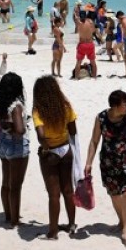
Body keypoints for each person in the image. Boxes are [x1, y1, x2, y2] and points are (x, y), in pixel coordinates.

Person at [84, 90, 126, 249]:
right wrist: (89, 162)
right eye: (125, 104)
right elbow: (94, 141)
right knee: (115, 195)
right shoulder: (101, 118)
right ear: (115, 106)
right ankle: (122, 222)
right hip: (109, 163)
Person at [32, 76, 78, 239]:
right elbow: (72, 130)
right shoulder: (65, 106)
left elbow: (41, 136)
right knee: (68, 190)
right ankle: (72, 224)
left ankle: (53, 232)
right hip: (66, 150)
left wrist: (46, 150)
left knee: (53, 194)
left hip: (50, 152)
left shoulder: (38, 110)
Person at [0, 73, 30, 228]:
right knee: (16, 185)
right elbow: (20, 130)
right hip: (16, 145)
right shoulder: (16, 106)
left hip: (2, 144)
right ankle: (15, 220)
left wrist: (5, 125)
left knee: (6, 182)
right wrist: (14, 126)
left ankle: (7, 215)